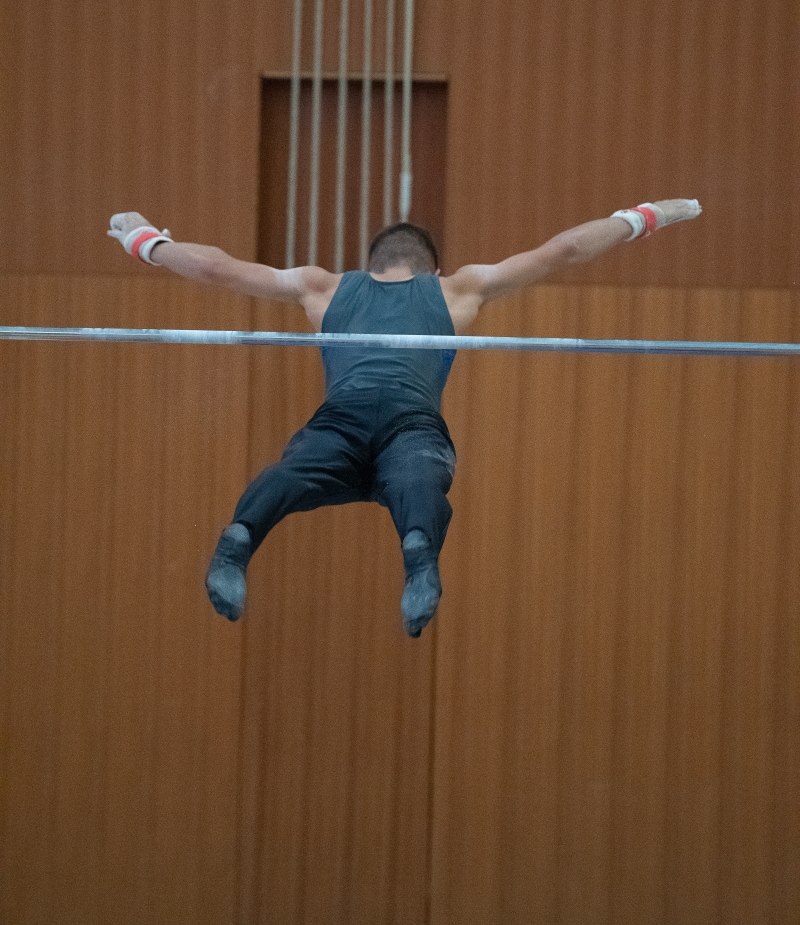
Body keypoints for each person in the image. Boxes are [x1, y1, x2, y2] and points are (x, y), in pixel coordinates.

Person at [108, 198, 701, 636]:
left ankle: (239, 540)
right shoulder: (458, 290)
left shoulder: (323, 288)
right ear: (433, 270)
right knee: (420, 480)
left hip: (338, 424)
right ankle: (418, 553)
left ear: (369, 265)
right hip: (410, 427)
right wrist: (645, 216)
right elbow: (563, 251)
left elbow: (215, 269)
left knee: (291, 473)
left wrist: (147, 241)